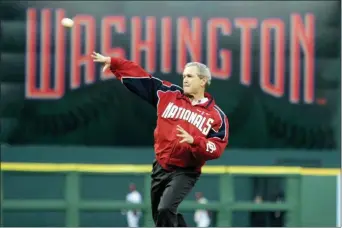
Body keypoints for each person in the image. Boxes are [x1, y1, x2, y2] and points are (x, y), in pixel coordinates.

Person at [91, 52, 229, 227]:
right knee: (161, 217)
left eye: (190, 76)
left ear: (203, 81)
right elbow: (143, 81)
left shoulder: (216, 116)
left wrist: (195, 141)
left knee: (165, 209)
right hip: (161, 166)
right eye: (184, 76)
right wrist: (115, 63)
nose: (185, 80)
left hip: (186, 170)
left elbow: (216, 148)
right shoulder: (169, 94)